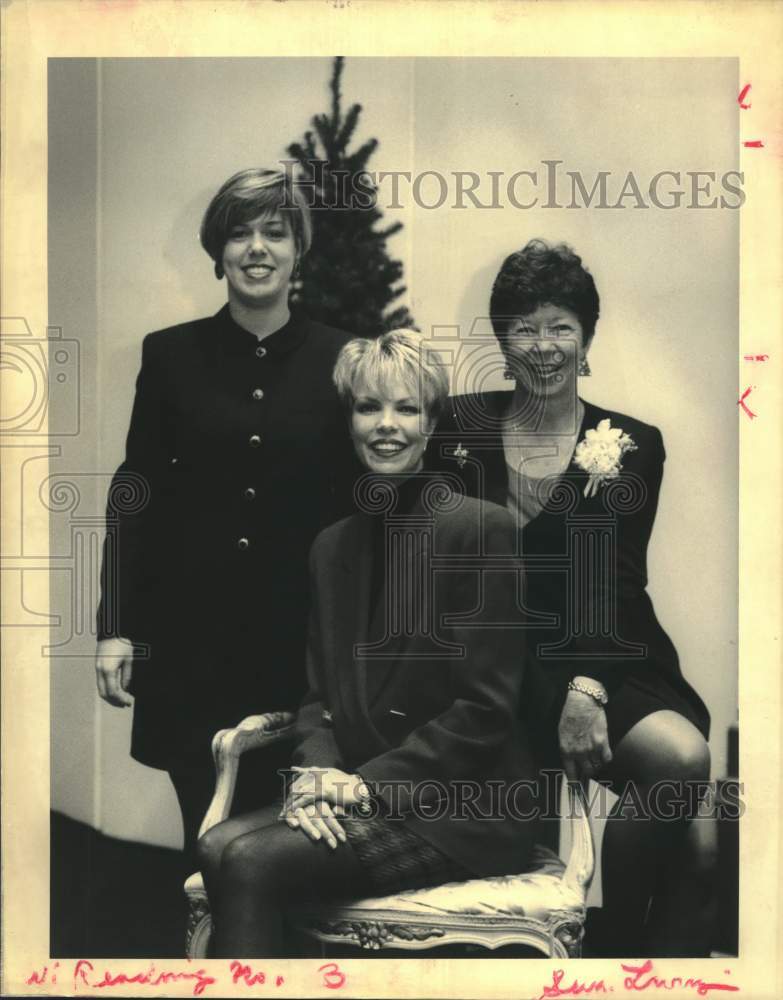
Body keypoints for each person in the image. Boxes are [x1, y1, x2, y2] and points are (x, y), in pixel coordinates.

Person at [196, 330, 539, 957]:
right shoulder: (332, 546)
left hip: (462, 806)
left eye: (406, 408)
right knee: (216, 845)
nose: (387, 426)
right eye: (368, 407)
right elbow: (317, 695)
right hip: (353, 787)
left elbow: (485, 710)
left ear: (431, 424)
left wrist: (367, 786)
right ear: (349, 421)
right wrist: (320, 769)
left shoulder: (482, 529)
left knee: (248, 861)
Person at [433, 239, 714, 956]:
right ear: (501, 338)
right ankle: (615, 959)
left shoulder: (630, 444)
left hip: (606, 650)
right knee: (695, 836)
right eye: (523, 327)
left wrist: (588, 689)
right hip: (505, 663)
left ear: (586, 336)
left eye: (560, 325)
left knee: (683, 772)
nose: (543, 346)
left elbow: (617, 584)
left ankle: (611, 951)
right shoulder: (457, 429)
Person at [94, 168, 357, 865]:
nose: (257, 248)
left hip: (298, 646)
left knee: (295, 841)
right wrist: (115, 626)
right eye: (239, 233)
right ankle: (210, 966)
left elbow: (367, 509)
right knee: (205, 838)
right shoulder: (170, 355)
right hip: (189, 645)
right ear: (218, 251)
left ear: (298, 247)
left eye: (275, 231)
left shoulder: (341, 359)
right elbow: (136, 490)